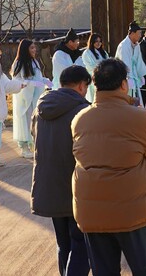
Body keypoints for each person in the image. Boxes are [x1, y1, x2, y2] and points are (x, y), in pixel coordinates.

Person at [72, 58, 146, 276]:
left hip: (92, 212)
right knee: (145, 270)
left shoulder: (80, 119)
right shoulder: (139, 117)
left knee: (104, 271)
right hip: (134, 211)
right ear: (124, 85)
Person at [32, 65, 93, 276]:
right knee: (81, 244)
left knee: (63, 243)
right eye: (85, 86)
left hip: (48, 184)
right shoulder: (83, 111)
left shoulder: (40, 108)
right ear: (80, 85)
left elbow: (35, 138)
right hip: (75, 185)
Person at [12, 38, 51, 159]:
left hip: (35, 97)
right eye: (32, 48)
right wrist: (31, 84)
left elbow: (38, 78)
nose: (34, 50)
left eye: (35, 47)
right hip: (25, 98)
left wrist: (47, 82)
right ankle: (24, 147)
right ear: (25, 50)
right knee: (25, 120)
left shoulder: (35, 62)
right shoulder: (18, 63)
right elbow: (17, 80)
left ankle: (34, 145)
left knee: (35, 120)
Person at [115, 21, 146, 105]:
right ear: (132, 33)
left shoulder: (137, 45)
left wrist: (143, 75)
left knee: (136, 99)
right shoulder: (124, 46)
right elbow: (125, 63)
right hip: (125, 78)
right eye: (139, 33)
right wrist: (128, 78)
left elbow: (139, 61)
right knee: (127, 99)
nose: (140, 35)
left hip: (134, 77)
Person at [81, 32, 109, 103]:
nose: (98, 43)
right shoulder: (87, 53)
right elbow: (89, 66)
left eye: (100, 41)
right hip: (93, 78)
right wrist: (100, 70)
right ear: (92, 42)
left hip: (105, 78)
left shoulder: (103, 52)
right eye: (96, 41)